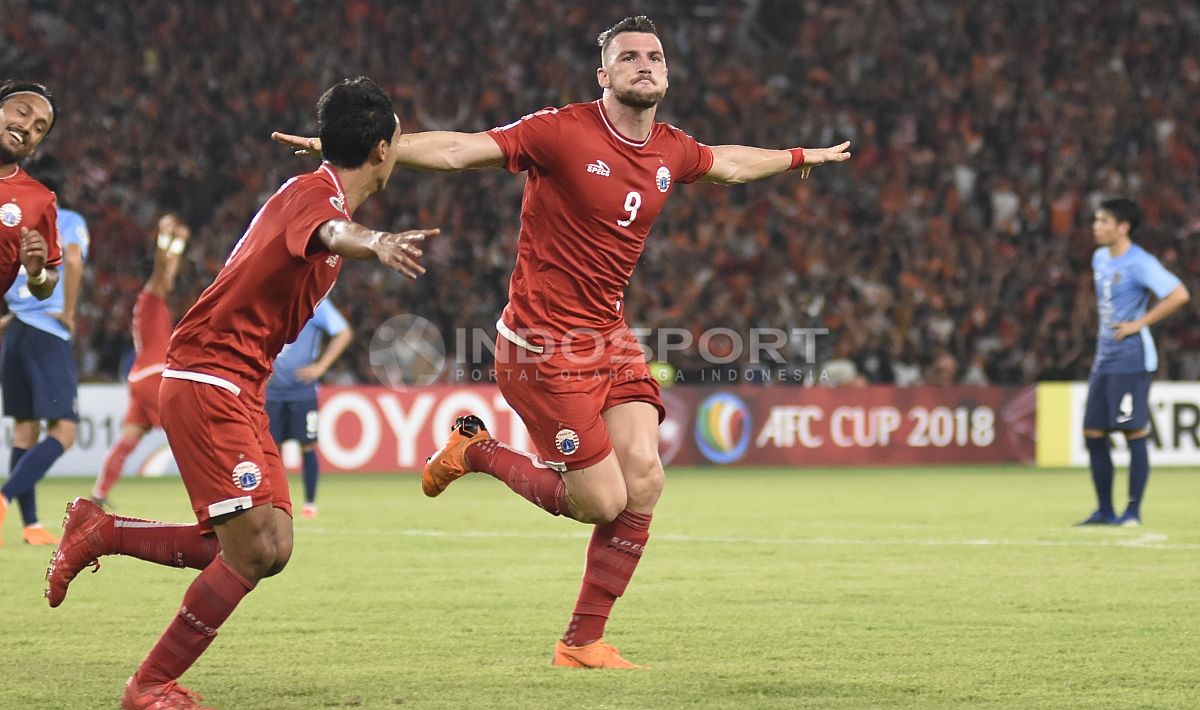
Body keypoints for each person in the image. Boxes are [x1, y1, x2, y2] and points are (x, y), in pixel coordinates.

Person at [274, 15, 851, 669]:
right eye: (628, 55)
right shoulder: (560, 131)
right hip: (539, 347)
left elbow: (732, 166)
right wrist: (358, 148)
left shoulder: (670, 147)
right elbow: (462, 151)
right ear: (602, 75)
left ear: (666, 73)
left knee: (645, 481)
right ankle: (477, 451)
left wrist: (802, 156)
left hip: (607, 334)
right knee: (600, 501)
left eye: (654, 55)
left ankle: (581, 644)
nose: (644, 63)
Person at [46, 76, 436, 709]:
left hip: (241, 382)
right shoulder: (317, 199)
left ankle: (103, 531)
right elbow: (333, 234)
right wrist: (376, 243)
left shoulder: (318, 187)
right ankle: (147, 687)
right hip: (208, 376)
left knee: (271, 544)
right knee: (252, 547)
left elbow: (331, 215)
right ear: (384, 151)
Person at [1076, 197, 1189, 527]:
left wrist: (1140, 324)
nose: (1096, 227)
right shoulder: (1100, 258)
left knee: (1132, 431)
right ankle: (1104, 511)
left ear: (1123, 227)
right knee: (1093, 431)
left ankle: (1132, 513)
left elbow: (1179, 294)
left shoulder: (1140, 262)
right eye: (1096, 221)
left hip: (1132, 359)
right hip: (1105, 358)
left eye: (1103, 221)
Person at [0, 82, 66, 547]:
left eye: (39, 126)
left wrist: (37, 273)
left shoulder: (38, 200)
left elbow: (46, 286)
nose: (27, 125)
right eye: (21, 111)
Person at [90, 213, 190, 509]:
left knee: (128, 440)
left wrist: (180, 243)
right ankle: (215, 495)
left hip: (140, 376)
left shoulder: (152, 301)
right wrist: (165, 238)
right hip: (155, 376)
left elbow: (167, 274)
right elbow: (162, 271)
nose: (169, 280)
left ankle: (98, 493)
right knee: (187, 432)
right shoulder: (151, 297)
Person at [265, 298, 352, 518]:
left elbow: (344, 333)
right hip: (271, 392)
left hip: (302, 391)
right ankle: (276, 503)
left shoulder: (315, 302)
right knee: (271, 450)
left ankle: (310, 503)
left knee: (308, 446)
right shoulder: (268, 298)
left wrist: (320, 367)